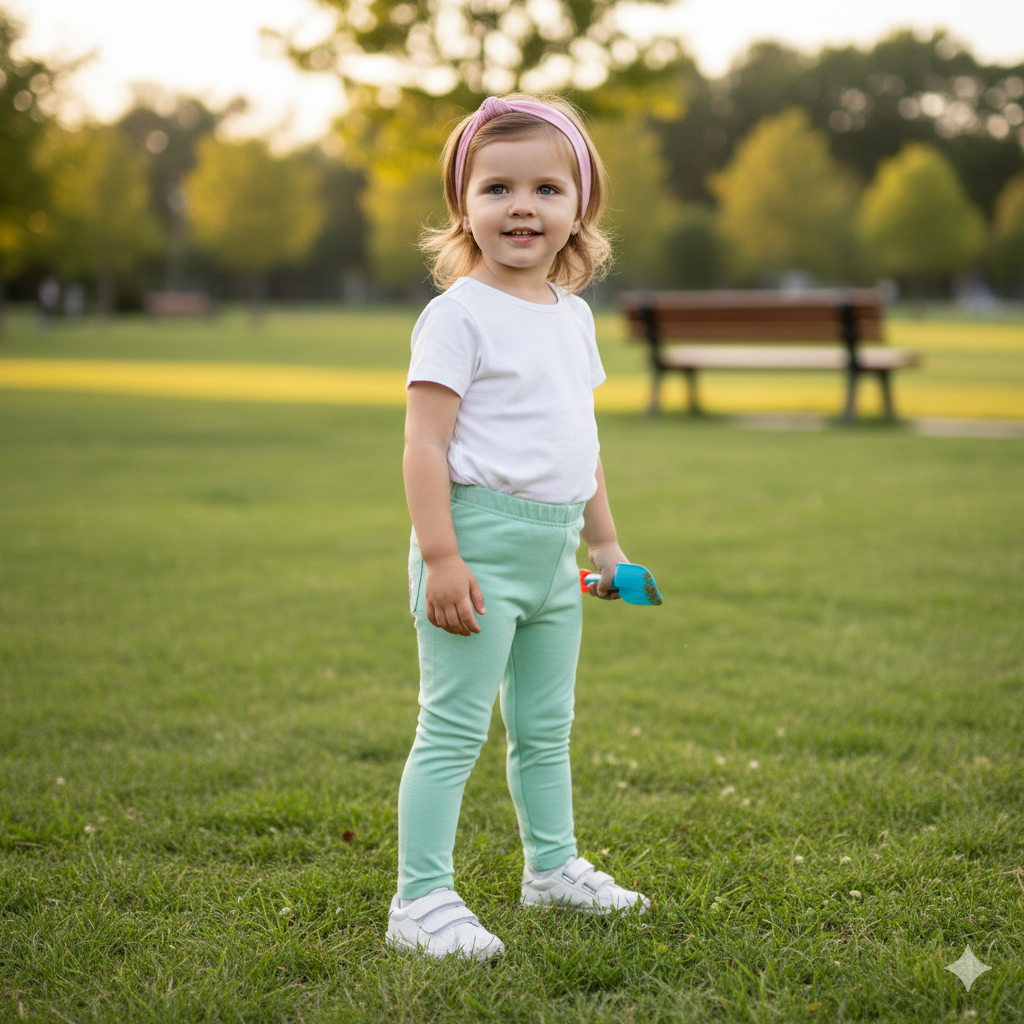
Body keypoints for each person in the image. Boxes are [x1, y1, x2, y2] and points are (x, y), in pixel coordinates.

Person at [387, 94, 652, 961]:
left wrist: (605, 545)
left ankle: (552, 869)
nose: (522, 207)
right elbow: (424, 444)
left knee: (545, 727)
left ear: (580, 206)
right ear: (464, 205)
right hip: (477, 549)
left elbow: (580, 442)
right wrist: (442, 556)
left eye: (547, 188)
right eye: (497, 188)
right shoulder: (458, 315)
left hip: (554, 555)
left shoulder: (572, 316)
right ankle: (420, 898)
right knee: (453, 729)